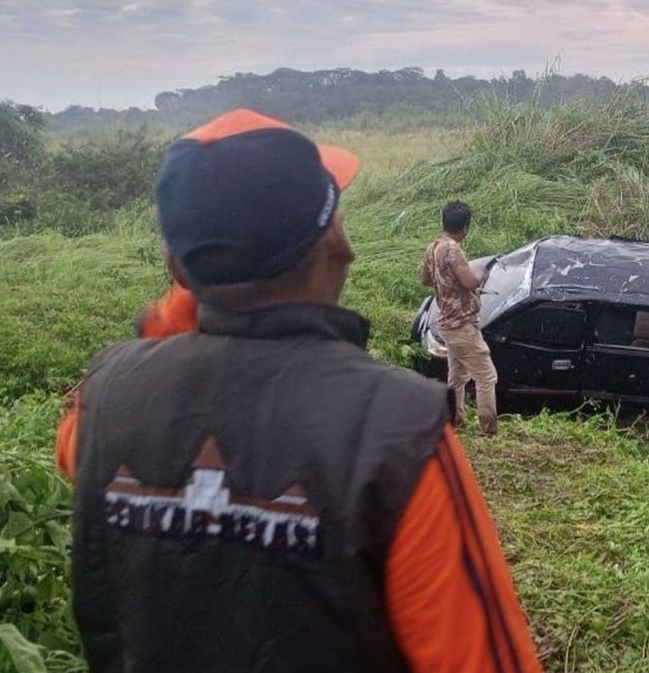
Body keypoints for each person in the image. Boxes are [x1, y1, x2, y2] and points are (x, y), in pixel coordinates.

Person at [53, 109, 541, 673]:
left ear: (174, 265)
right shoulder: (397, 432)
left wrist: (200, 293)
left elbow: (74, 449)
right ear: (336, 244)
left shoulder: (104, 398)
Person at [419, 201, 499, 436]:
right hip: (462, 324)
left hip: (446, 323)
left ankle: (456, 421)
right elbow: (470, 282)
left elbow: (424, 279)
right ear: (465, 228)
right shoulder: (453, 250)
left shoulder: (433, 248)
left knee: (457, 376)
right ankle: (489, 430)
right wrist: (482, 273)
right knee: (486, 376)